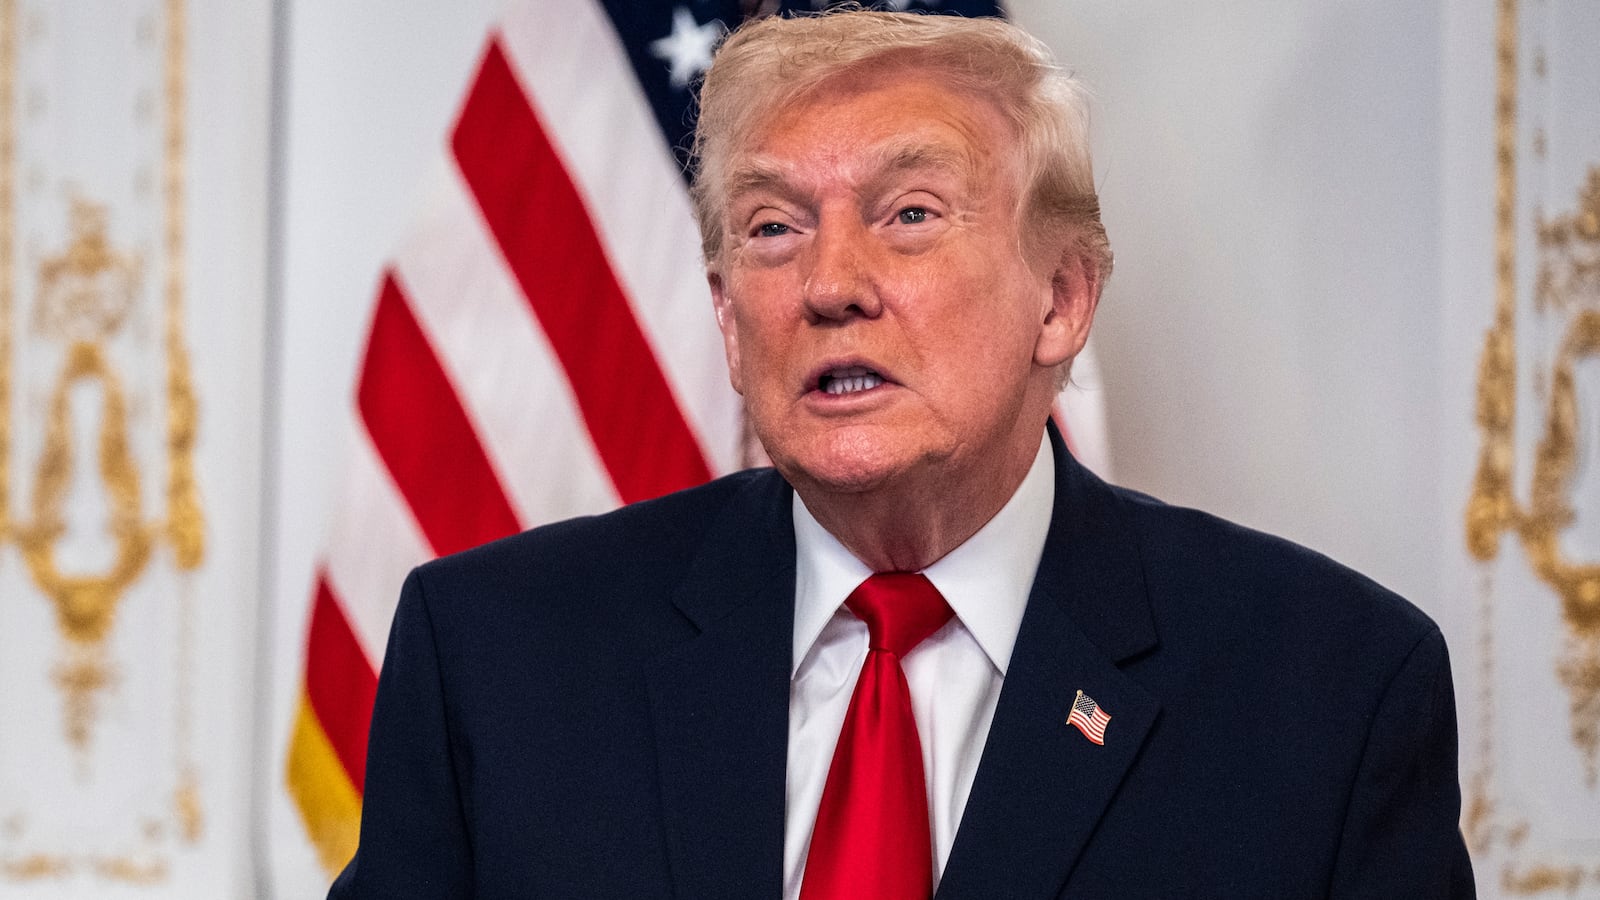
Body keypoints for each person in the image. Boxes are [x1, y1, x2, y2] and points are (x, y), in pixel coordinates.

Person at [331, 10, 1474, 898]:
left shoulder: (1327, 694)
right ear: (730, 323)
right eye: (774, 228)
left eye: (911, 213)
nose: (829, 285)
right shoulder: (495, 656)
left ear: (1062, 298)